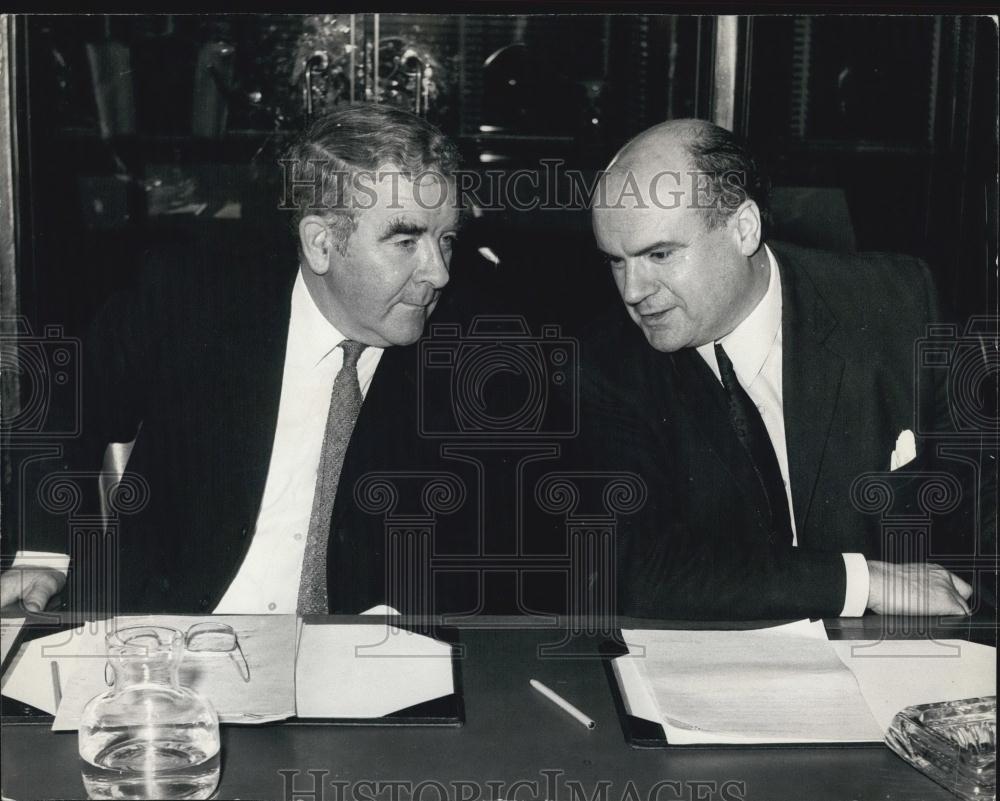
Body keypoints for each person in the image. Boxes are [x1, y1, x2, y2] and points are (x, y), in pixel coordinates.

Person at [0, 103, 469, 616]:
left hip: (354, 665)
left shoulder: (469, 362)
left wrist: (409, 620)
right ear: (321, 243)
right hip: (162, 644)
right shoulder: (189, 303)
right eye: (406, 240)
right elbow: (59, 408)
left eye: (446, 239)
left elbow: (497, 546)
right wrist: (42, 553)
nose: (439, 272)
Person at [583, 118, 980, 620]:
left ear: (743, 228)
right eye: (615, 262)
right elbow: (627, 568)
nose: (633, 291)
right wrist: (861, 581)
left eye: (659, 254)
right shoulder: (608, 363)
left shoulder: (896, 303)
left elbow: (983, 493)